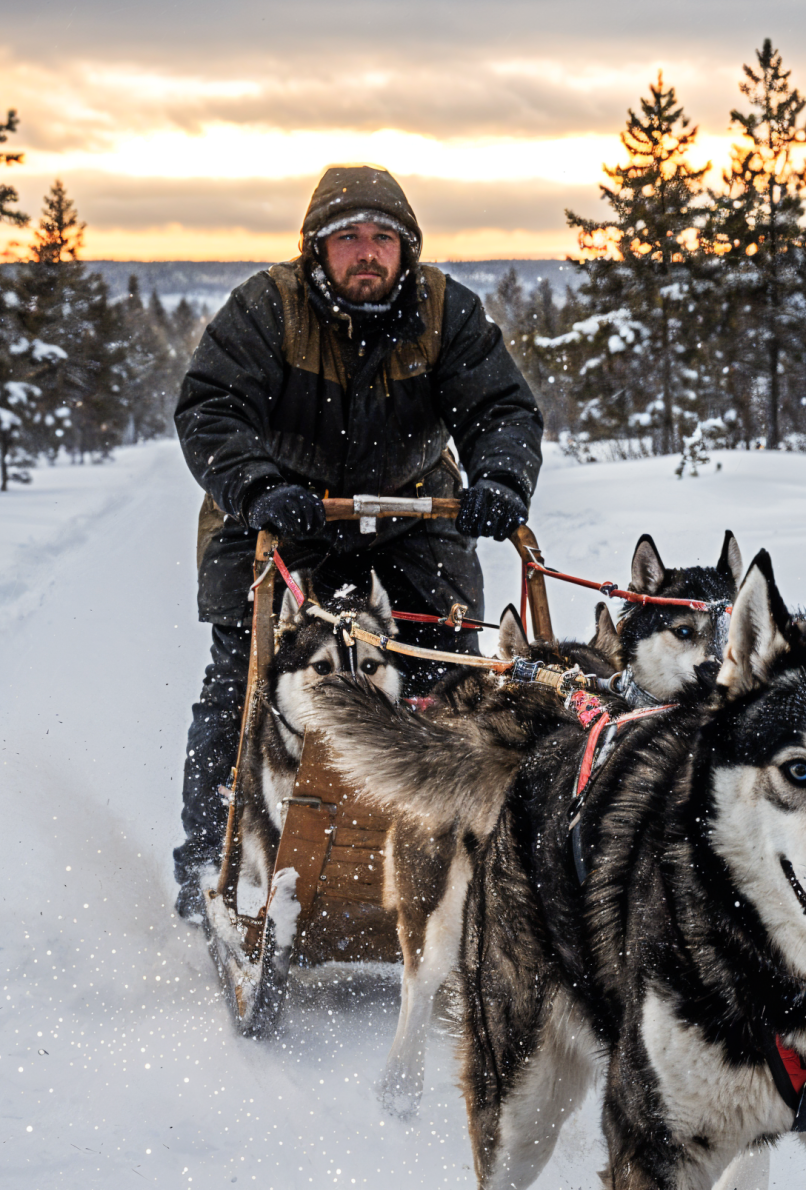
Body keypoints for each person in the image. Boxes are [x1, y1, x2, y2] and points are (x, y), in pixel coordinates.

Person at [171, 163, 543, 914]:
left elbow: (501, 406)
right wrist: (258, 487)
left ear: (406, 250)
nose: (366, 253)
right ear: (318, 248)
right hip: (281, 509)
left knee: (444, 664)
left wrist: (500, 480)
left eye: (383, 239)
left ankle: (451, 846)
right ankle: (211, 853)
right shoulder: (267, 309)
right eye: (349, 239)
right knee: (244, 676)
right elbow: (210, 408)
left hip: (412, 513)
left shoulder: (445, 311)